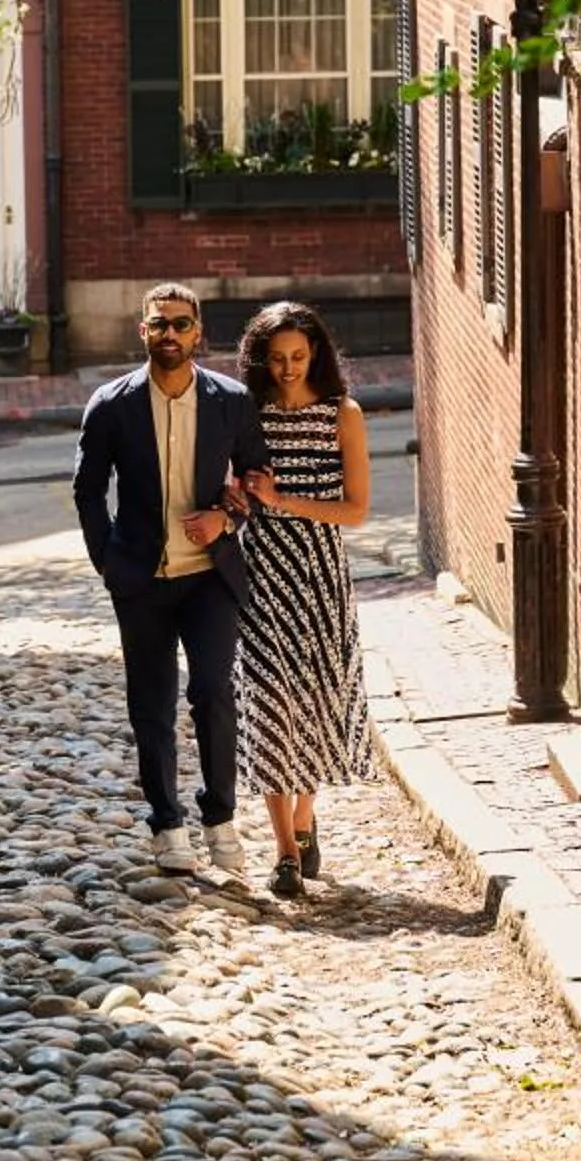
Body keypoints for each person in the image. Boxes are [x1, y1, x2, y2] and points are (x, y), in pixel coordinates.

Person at [72, 284, 270, 875]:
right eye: (159, 325)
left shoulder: (231, 401)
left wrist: (227, 515)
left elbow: (258, 476)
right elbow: (87, 489)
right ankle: (167, 824)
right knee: (151, 706)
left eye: (180, 325)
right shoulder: (111, 404)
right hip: (142, 579)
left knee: (214, 690)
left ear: (198, 333)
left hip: (211, 576)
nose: (170, 335)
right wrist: (108, 559)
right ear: (143, 331)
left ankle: (221, 817)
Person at [235, 300, 374, 899]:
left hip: (319, 576)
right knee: (268, 703)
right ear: (260, 360)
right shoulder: (248, 416)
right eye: (277, 358)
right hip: (261, 573)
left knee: (317, 699)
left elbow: (356, 510)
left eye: (298, 355)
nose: (289, 367)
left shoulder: (342, 415)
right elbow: (230, 490)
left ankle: (304, 817)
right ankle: (286, 851)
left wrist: (284, 499)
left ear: (315, 351)